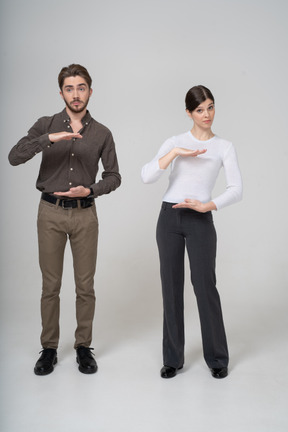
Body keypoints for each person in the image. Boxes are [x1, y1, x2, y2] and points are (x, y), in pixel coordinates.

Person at [9, 64, 121, 375]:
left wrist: (92, 189)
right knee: (51, 286)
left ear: (90, 91)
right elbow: (14, 156)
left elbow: (114, 177)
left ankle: (83, 346)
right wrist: (49, 139)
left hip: (85, 214)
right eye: (69, 88)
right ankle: (49, 348)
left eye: (81, 87)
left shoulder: (102, 133)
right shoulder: (45, 124)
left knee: (85, 286)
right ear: (61, 92)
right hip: (50, 214)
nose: (76, 94)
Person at [141, 85, 242, 379]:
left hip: (200, 219)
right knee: (171, 288)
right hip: (169, 219)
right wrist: (174, 153)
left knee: (204, 286)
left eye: (210, 107)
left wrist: (207, 205)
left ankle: (218, 358)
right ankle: (172, 359)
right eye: (199, 110)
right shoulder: (175, 141)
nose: (206, 114)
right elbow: (147, 176)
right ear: (189, 112)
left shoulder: (224, 146)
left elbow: (237, 190)